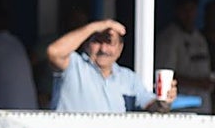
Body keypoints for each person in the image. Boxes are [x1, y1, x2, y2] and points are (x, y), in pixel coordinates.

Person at [48, 18, 176, 113]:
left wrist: (164, 102)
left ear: (120, 48)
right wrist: (95, 26)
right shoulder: (74, 66)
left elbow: (152, 107)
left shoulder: (129, 78)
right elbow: (54, 52)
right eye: (97, 41)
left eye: (109, 42)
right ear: (86, 44)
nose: (103, 49)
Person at [155, 0, 213, 114]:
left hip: (204, 106)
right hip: (181, 108)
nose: (188, 14)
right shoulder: (169, 38)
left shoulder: (199, 37)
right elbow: (164, 76)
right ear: (177, 11)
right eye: (184, 10)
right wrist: (197, 83)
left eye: (192, 9)